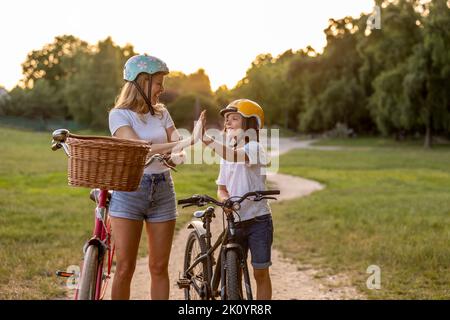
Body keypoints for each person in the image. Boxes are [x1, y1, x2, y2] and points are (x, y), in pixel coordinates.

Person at [108, 54, 203, 300]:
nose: (163, 88)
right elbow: (140, 148)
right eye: (159, 82)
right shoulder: (119, 115)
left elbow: (174, 145)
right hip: (130, 190)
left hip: (162, 189)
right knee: (125, 268)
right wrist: (187, 141)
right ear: (142, 82)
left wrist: (178, 154)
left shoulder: (161, 113)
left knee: (159, 268)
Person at [200, 99, 274, 300]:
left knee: (260, 272)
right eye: (226, 119)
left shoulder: (255, 147)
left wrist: (206, 139)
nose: (228, 123)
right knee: (234, 274)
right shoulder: (226, 154)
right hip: (236, 220)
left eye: (234, 118)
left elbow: (235, 155)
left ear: (251, 124)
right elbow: (221, 188)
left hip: (259, 219)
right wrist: (224, 200)